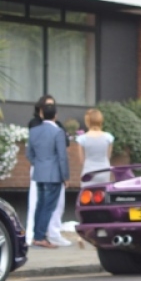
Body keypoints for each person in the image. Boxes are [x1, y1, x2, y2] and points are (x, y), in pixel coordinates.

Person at [25, 96, 71, 246]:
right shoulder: (57, 132)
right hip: (54, 174)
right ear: (55, 115)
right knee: (49, 206)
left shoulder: (34, 131)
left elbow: (29, 154)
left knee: (40, 205)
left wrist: (38, 164)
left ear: (42, 114)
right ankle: (40, 237)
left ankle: (36, 235)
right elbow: (62, 156)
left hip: (39, 172)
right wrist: (66, 176)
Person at [75, 108, 115, 183]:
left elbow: (81, 160)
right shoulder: (108, 137)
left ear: (87, 121)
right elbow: (108, 156)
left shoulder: (82, 139)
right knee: (103, 193)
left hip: (88, 171)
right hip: (104, 170)